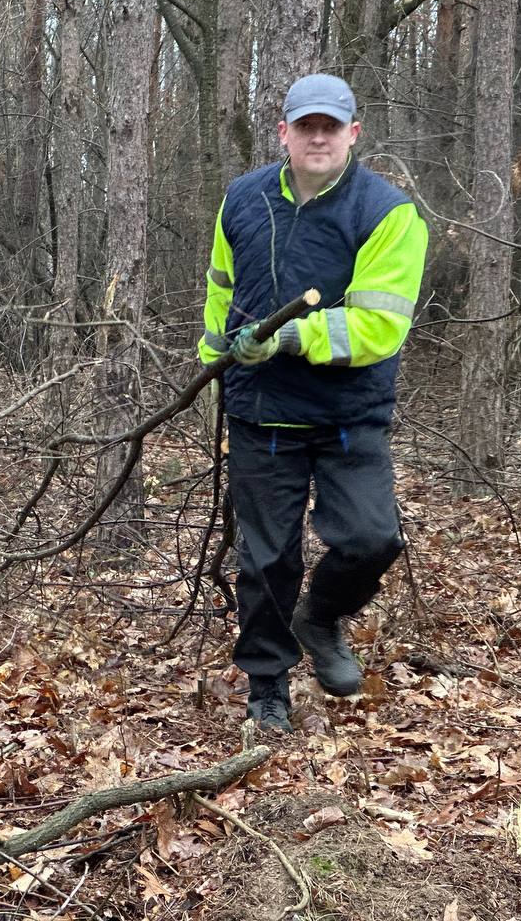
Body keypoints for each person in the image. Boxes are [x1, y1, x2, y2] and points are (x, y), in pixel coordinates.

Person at [197, 73, 428, 733]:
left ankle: (320, 617)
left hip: (348, 413)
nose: (318, 137)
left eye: (331, 126)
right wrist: (216, 359)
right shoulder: (242, 199)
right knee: (266, 560)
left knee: (372, 538)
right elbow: (220, 291)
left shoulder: (387, 213)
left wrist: (290, 337)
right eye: (306, 126)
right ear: (285, 133)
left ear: (354, 133)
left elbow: (381, 326)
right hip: (260, 411)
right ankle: (267, 685)